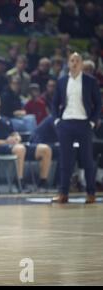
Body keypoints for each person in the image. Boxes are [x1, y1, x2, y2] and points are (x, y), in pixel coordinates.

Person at [51, 52, 102, 204]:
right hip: (65, 124)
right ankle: (63, 193)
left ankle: (91, 193)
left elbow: (98, 104)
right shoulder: (61, 81)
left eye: (77, 61)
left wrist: (92, 122)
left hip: (84, 124)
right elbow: (54, 103)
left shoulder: (90, 81)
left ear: (81, 64)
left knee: (87, 160)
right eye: (72, 60)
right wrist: (57, 121)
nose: (74, 63)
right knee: (65, 160)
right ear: (68, 63)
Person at [0, 92, 52, 191]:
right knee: (20, 149)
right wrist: (6, 142)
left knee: (45, 149)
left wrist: (17, 138)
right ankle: (19, 181)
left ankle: (42, 182)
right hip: (1, 148)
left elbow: (15, 133)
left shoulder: (6, 119)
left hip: (15, 145)